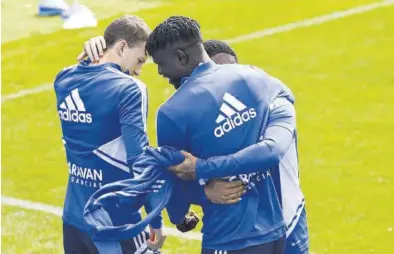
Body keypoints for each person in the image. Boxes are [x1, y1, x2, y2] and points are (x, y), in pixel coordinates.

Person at [147, 16, 290, 253]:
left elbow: (175, 176)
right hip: (274, 230)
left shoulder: (172, 112)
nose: (161, 72)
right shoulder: (253, 76)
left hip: (229, 237)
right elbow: (278, 125)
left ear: (181, 57)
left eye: (161, 64)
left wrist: (180, 216)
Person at [183, 39, 310, 254]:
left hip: (289, 225)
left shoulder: (275, 103)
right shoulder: (202, 121)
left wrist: (202, 167)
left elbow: (271, 151)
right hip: (237, 238)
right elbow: (179, 174)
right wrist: (203, 193)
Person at [54, 15, 166, 254]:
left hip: (74, 220)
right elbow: (139, 160)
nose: (137, 71)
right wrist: (155, 220)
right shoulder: (129, 89)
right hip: (114, 221)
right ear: (122, 46)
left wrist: (94, 51)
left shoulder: (63, 79)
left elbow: (86, 77)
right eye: (139, 60)